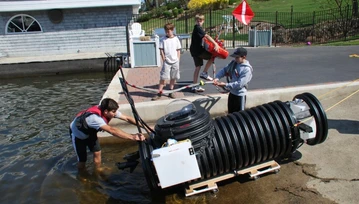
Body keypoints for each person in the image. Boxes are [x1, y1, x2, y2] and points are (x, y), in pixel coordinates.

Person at [69, 98, 146, 170]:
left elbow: (127, 118)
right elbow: (112, 130)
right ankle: (82, 175)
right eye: (113, 112)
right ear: (106, 111)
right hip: (77, 135)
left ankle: (98, 171)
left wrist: (144, 126)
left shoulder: (108, 111)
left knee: (97, 152)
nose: (115, 114)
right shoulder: (94, 119)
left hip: (90, 133)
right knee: (82, 160)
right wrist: (132, 137)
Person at [213, 47, 253, 113]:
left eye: (237, 57)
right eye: (235, 57)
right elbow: (224, 70)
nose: (235, 59)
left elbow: (239, 84)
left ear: (244, 57)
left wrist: (225, 85)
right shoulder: (234, 63)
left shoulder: (247, 69)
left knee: (239, 116)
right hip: (232, 94)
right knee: (230, 114)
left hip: (240, 96)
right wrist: (217, 78)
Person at [190, 14, 220, 92]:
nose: (199, 22)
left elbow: (203, 39)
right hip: (198, 51)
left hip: (195, 50)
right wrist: (215, 44)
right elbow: (206, 36)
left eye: (201, 20)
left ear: (203, 21)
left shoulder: (198, 28)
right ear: (196, 21)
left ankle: (194, 85)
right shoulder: (198, 28)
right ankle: (204, 73)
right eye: (198, 20)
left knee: (198, 67)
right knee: (212, 57)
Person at [152, 22, 182, 101]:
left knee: (173, 76)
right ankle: (160, 92)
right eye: (166, 31)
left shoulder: (176, 39)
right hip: (167, 61)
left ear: (172, 30)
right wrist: (163, 58)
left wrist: (178, 59)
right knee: (163, 77)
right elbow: (161, 49)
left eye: (168, 31)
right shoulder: (163, 40)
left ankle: (171, 91)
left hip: (175, 61)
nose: (167, 33)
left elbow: (178, 50)